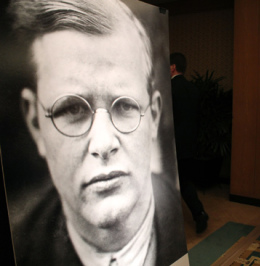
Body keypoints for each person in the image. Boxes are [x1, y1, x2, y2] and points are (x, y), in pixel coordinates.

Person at [6, 0, 187, 265]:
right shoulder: (21, 247)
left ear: (154, 116)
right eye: (71, 109)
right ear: (35, 123)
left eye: (125, 105)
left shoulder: (175, 222)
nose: (103, 144)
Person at [170, 52, 208, 234]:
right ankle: (198, 213)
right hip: (190, 144)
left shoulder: (168, 89)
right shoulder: (193, 89)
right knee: (185, 181)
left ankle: (198, 214)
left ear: (172, 67)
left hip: (171, 145)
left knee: (175, 182)